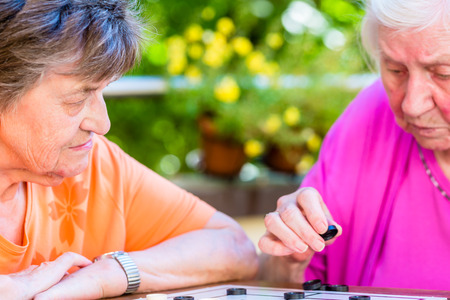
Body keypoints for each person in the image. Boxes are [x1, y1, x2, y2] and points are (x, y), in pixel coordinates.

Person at [0, 1, 258, 299]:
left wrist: (115, 272)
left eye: (101, 91)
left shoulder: (95, 165)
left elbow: (235, 247)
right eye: (77, 98)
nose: (102, 123)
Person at [258, 0, 450, 291]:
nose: (411, 105)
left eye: (443, 73)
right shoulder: (369, 118)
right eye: (395, 70)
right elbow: (275, 284)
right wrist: (289, 259)